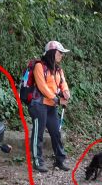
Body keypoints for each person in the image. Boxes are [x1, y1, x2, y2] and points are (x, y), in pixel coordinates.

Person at [29, 41, 71, 173]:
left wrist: (66, 93)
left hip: (51, 106)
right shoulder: (39, 67)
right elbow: (42, 87)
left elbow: (63, 84)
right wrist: (57, 99)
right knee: (38, 133)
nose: (62, 56)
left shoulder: (58, 69)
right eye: (60, 53)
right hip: (38, 104)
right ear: (52, 53)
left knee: (56, 133)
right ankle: (37, 161)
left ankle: (60, 160)